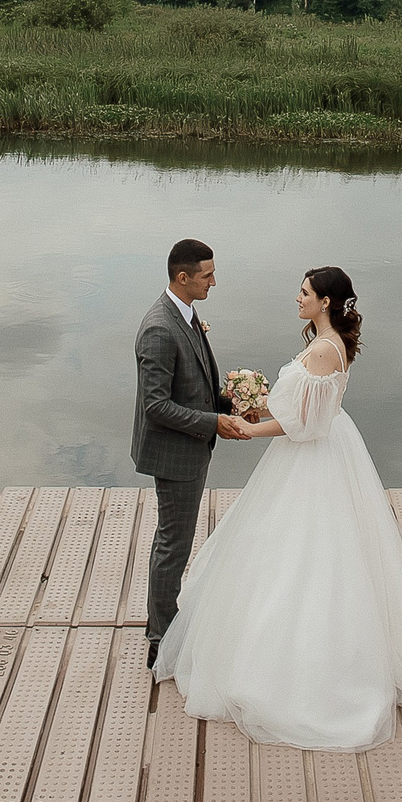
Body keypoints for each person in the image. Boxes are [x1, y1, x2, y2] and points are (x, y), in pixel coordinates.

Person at [152, 265, 402, 750]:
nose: (298, 298)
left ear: (325, 301)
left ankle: (303, 672)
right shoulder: (325, 343)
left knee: (302, 556)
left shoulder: (326, 350)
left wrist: (248, 428)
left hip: (313, 457)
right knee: (288, 553)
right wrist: (258, 406)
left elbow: (302, 425)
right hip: (319, 449)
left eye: (305, 293)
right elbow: (300, 410)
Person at [132, 237, 249, 665]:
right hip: (175, 454)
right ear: (183, 277)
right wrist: (213, 423)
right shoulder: (160, 329)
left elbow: (191, 384)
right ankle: (160, 642)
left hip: (191, 447)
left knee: (174, 541)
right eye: (207, 276)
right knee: (173, 545)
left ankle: (164, 626)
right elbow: (156, 406)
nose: (213, 282)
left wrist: (230, 403)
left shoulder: (186, 313)